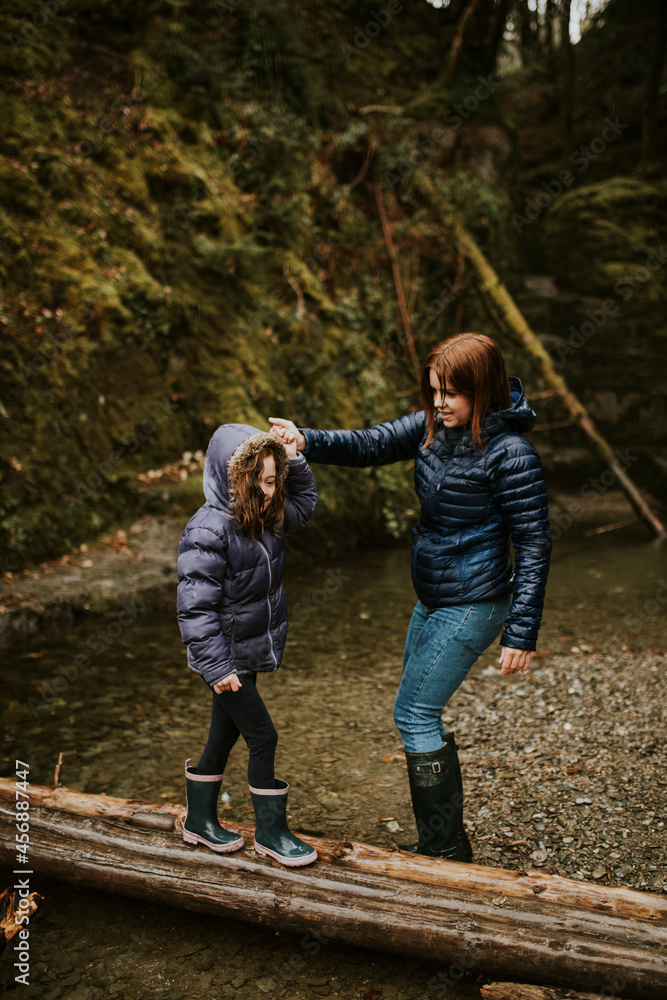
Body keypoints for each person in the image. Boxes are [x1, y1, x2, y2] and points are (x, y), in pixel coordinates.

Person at [270, 333, 552, 863]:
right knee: (416, 710)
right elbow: (369, 443)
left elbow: (534, 541)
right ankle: (443, 840)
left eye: (452, 393)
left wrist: (521, 630)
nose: (440, 402)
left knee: (416, 712)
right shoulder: (431, 427)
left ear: (483, 390)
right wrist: (303, 439)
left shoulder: (513, 454)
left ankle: (445, 848)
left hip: (477, 599)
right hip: (434, 594)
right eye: (434, 391)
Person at [176, 423, 319, 867]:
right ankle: (271, 834)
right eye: (257, 482)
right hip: (224, 658)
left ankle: (198, 821)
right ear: (231, 479)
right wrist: (217, 669)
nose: (269, 492)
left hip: (250, 651)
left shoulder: (269, 514)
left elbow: (306, 506)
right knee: (263, 735)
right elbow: (195, 611)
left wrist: (296, 458)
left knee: (224, 734)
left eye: (274, 481)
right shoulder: (207, 530)